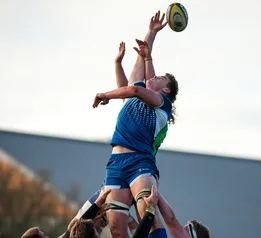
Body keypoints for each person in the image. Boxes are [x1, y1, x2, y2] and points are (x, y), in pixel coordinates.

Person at [91, 10, 178, 238]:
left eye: (160, 78)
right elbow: (141, 60)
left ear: (166, 90)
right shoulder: (137, 97)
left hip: (140, 159)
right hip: (116, 162)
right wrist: (151, 33)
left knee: (146, 214)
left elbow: (134, 88)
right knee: (117, 226)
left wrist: (104, 95)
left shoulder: (161, 103)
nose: (155, 76)